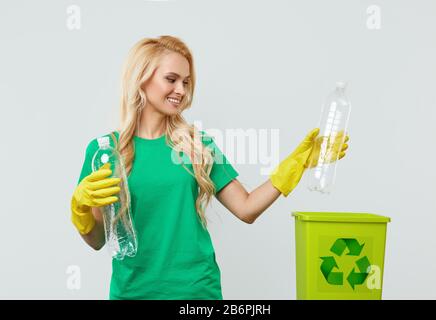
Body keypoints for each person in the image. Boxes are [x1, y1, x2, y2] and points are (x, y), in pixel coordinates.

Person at [70, 35, 349, 300]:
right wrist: (81, 211)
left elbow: (247, 208)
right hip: (131, 292)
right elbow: (97, 241)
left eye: (186, 82)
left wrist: (295, 165)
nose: (181, 90)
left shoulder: (196, 146)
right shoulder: (105, 152)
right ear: (141, 79)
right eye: (171, 79)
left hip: (196, 292)